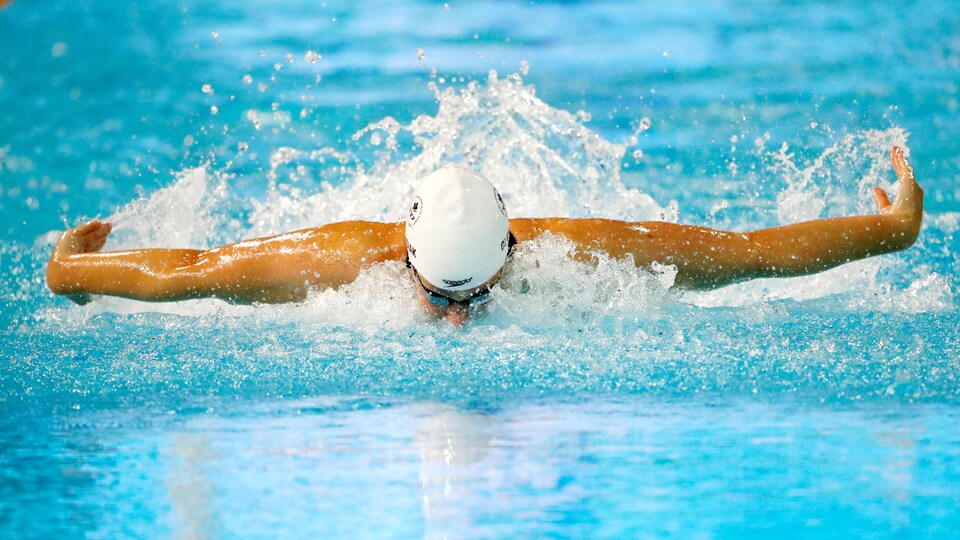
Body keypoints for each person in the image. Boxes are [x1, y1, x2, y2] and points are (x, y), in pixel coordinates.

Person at [47, 146, 923, 325]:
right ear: (406, 254)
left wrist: (892, 232)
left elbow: (751, 255)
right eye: (438, 296)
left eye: (479, 296)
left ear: (514, 254)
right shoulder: (335, 261)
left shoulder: (580, 249)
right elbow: (193, 271)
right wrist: (72, 270)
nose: (459, 321)